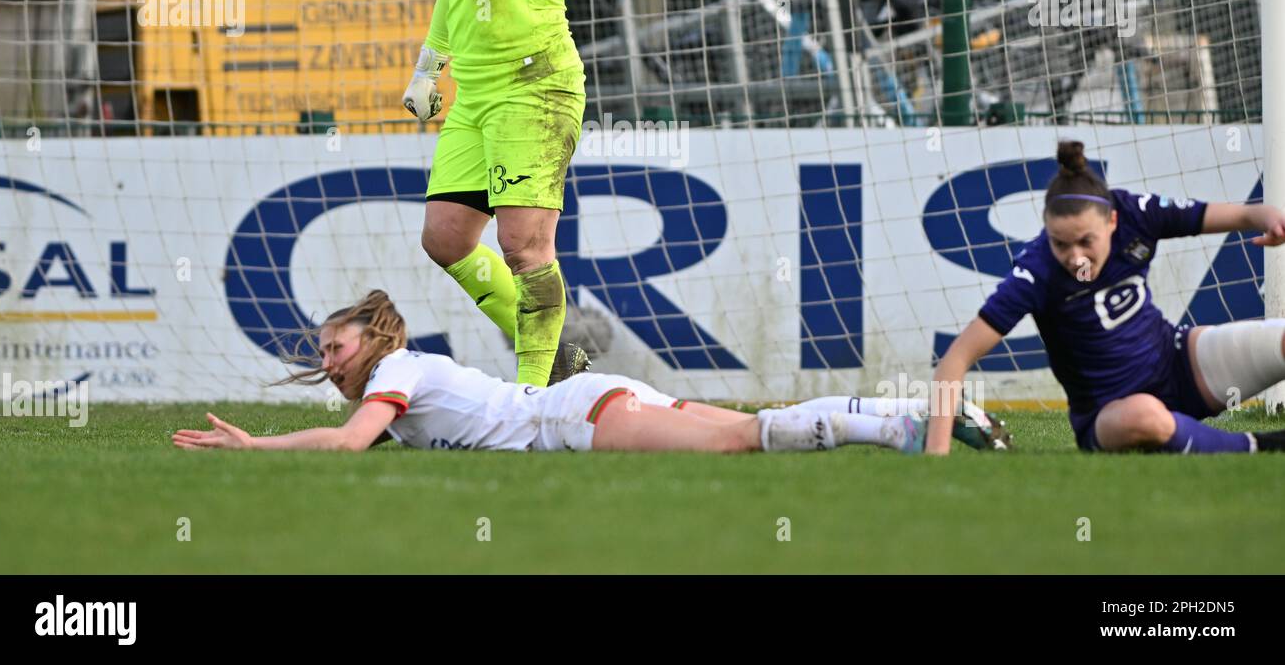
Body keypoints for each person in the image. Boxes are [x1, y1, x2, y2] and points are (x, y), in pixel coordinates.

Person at [173, 291, 1008, 456]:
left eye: (335, 348)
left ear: (374, 340)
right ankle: (911, 423)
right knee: (749, 431)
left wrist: (257, 449)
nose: (328, 362)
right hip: (584, 404)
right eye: (322, 352)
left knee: (745, 440)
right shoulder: (400, 384)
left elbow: (350, 445)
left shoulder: (398, 369)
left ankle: (907, 424)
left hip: (573, 421)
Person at [927, 139, 1285, 455]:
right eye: (1060, 243)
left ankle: (1182, 431)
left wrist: (1268, 216)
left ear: (1112, 220)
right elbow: (954, 360)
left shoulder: (1136, 213)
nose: (1075, 257)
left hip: (1179, 363)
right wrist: (937, 453)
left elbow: (1237, 214)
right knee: (1146, 416)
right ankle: (1261, 445)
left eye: (1086, 241)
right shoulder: (1035, 273)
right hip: (1109, 413)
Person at [402, 0, 590, 387]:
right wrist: (428, 71)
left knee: (524, 249)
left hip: (534, 88)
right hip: (475, 96)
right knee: (446, 237)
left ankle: (535, 392)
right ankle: (560, 363)